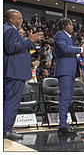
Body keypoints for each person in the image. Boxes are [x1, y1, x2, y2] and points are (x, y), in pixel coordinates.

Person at [4, 9, 43, 139]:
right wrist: (28, 40)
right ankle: (6, 130)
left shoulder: (7, 29)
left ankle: (5, 128)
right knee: (12, 101)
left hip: (12, 71)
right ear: (11, 19)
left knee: (8, 101)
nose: (21, 20)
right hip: (15, 71)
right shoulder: (9, 30)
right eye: (19, 18)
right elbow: (10, 48)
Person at [54, 18, 84, 135]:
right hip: (64, 70)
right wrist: (80, 49)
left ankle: (64, 124)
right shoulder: (59, 34)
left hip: (70, 70)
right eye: (70, 24)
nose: (72, 26)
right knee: (64, 97)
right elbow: (64, 49)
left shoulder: (69, 37)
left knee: (68, 98)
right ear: (64, 25)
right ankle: (62, 125)